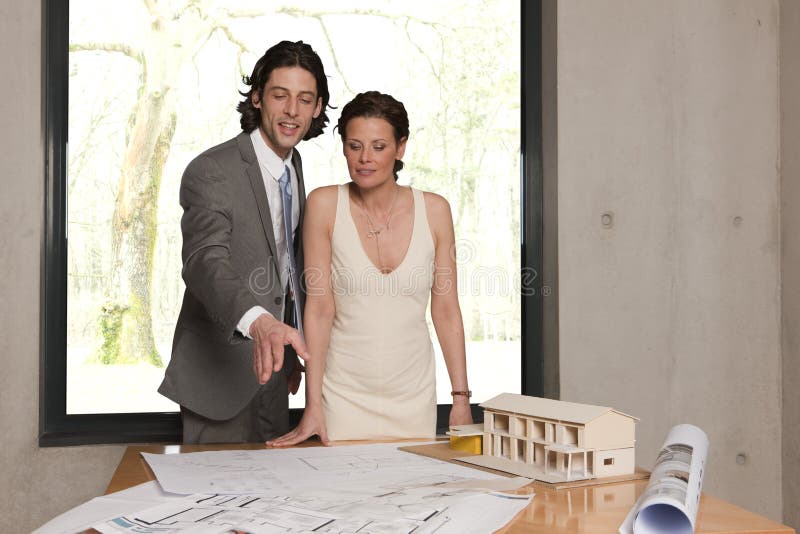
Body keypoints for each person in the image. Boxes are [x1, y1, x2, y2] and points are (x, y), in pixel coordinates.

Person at [268, 91, 473, 446]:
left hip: (413, 399)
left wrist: (460, 400)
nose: (364, 158)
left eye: (378, 146)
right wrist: (312, 405)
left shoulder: (436, 211)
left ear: (400, 148)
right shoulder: (325, 204)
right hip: (342, 398)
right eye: (354, 145)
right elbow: (318, 310)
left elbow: (446, 311)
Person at [158, 41, 332, 443]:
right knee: (212, 503)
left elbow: (285, 266)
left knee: (273, 501)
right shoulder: (210, 170)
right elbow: (205, 262)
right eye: (280, 96)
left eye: (304, 99)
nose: (292, 111)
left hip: (274, 375)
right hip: (219, 381)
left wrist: (288, 344)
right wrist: (261, 324)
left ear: (317, 107)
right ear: (257, 97)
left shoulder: (295, 167)